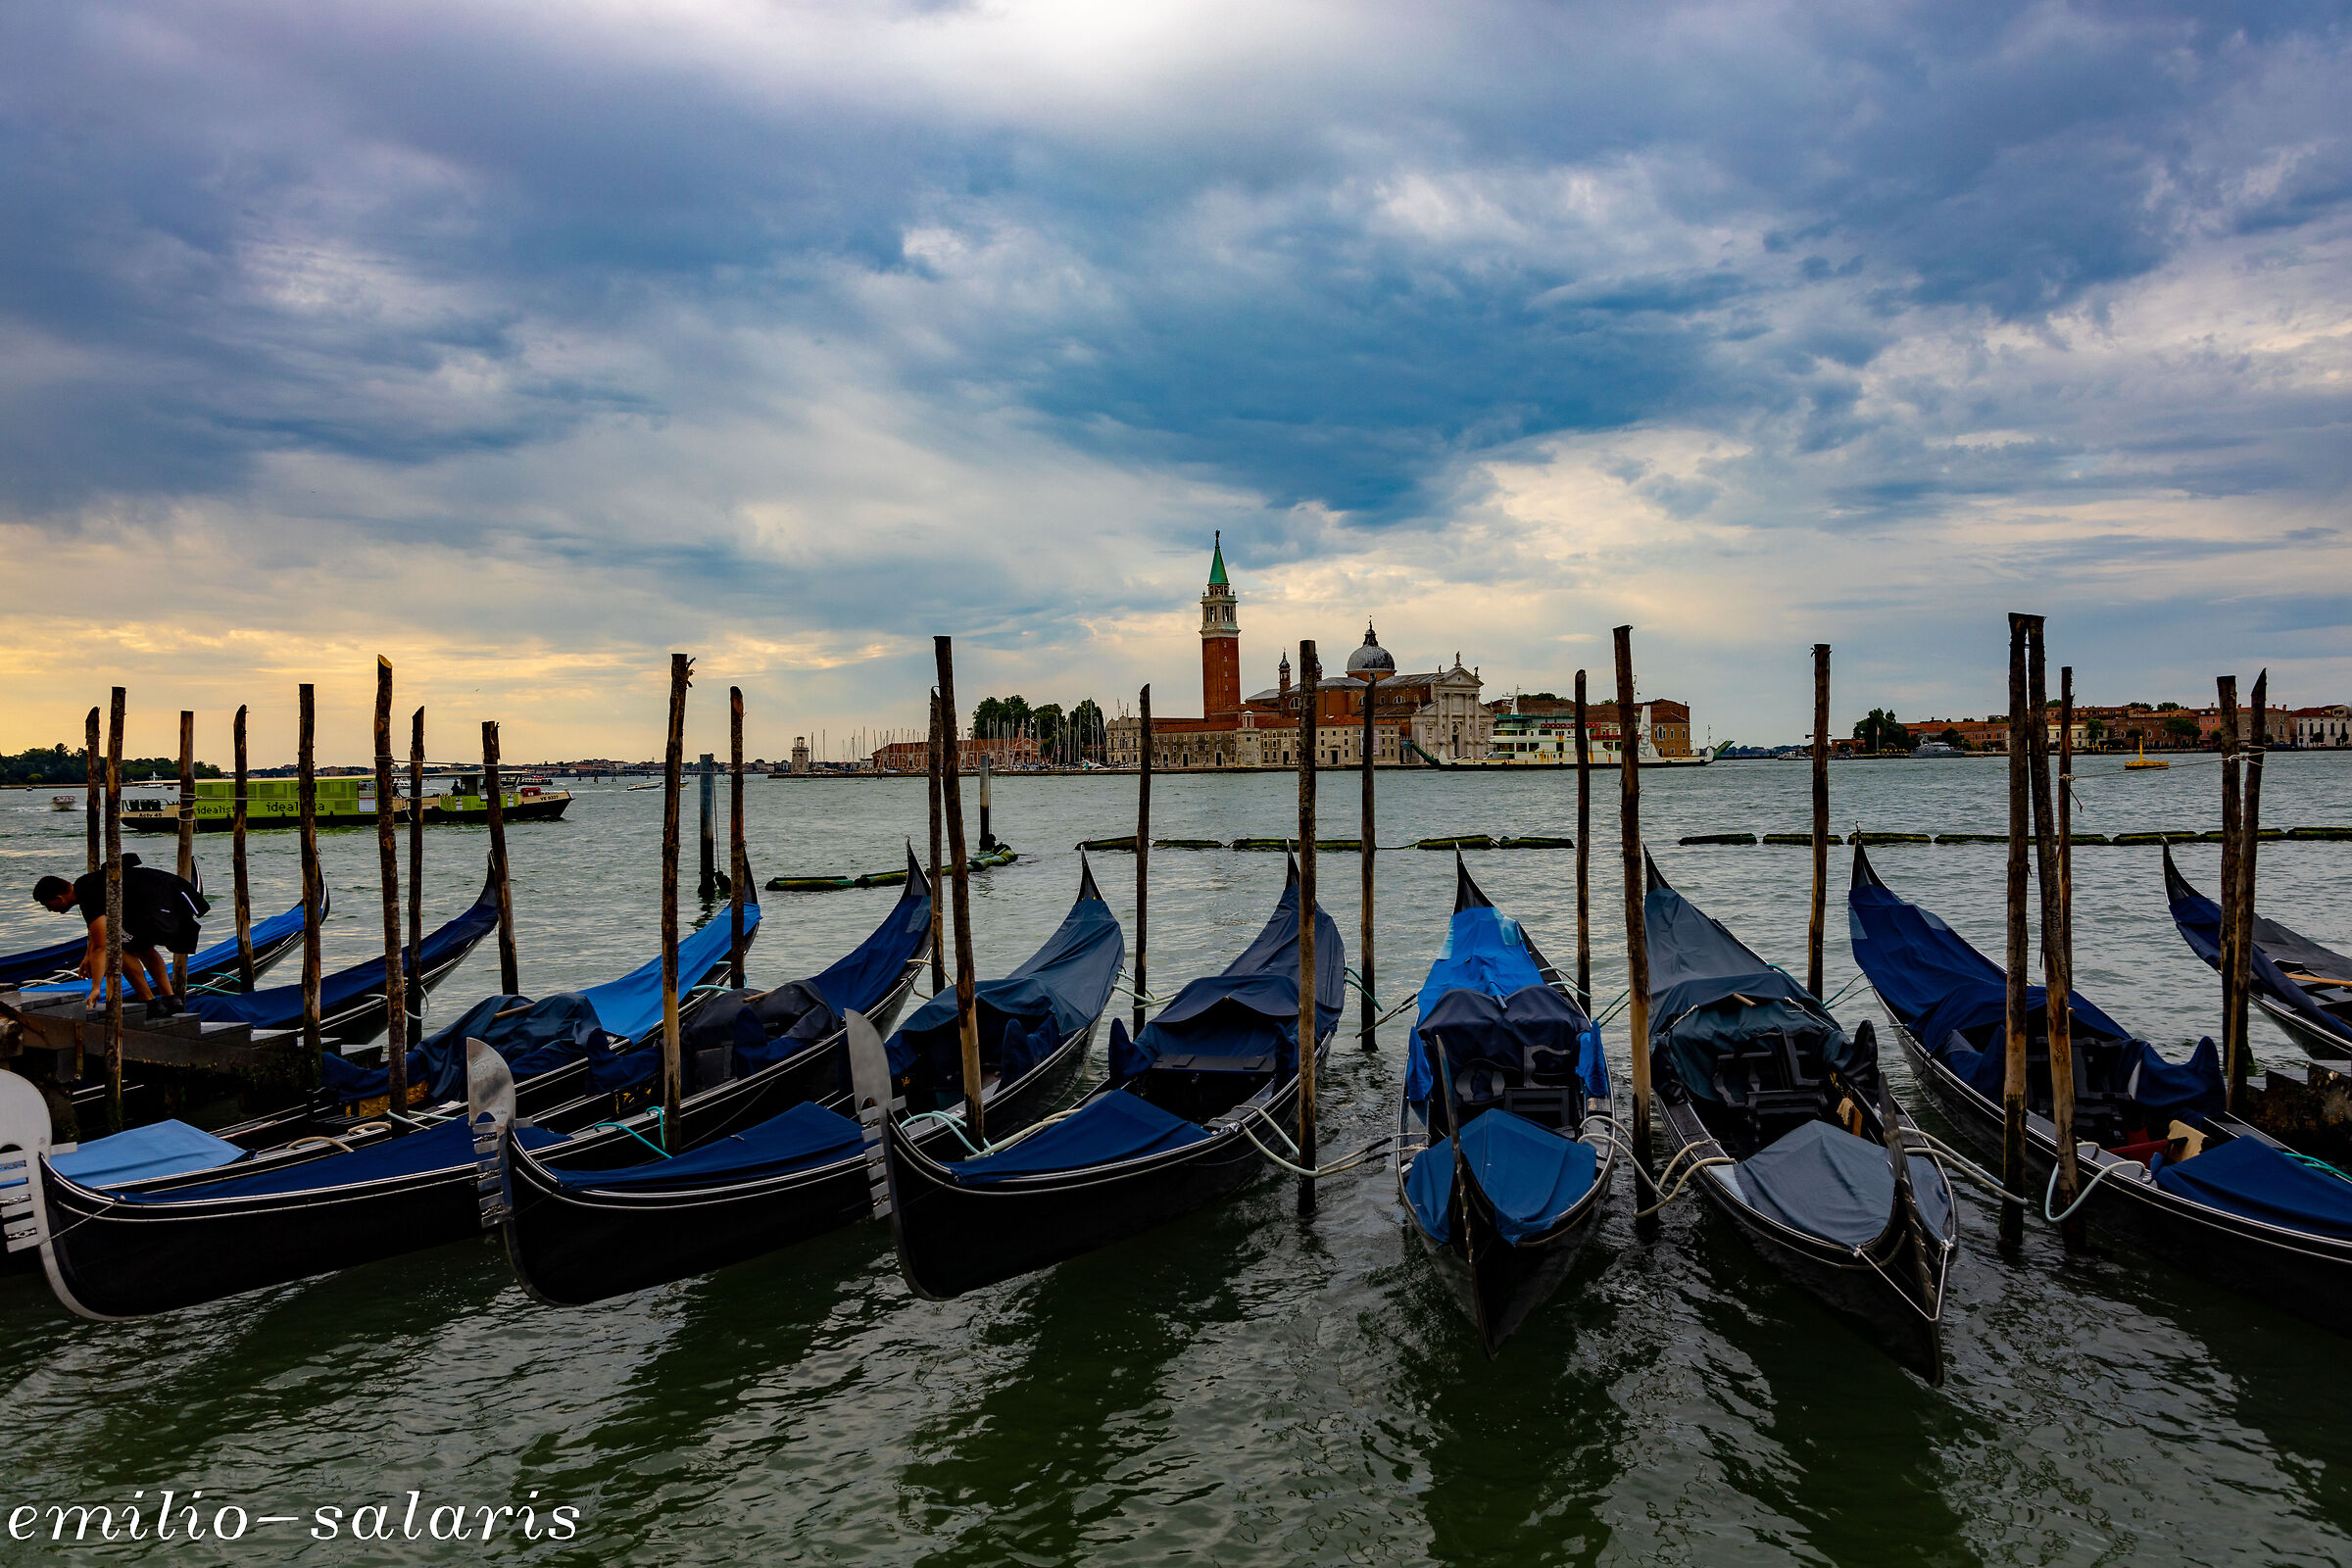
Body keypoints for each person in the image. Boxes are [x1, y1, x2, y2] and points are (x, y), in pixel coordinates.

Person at [32, 858, 208, 1016]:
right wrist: (88, 955)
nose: (50, 910)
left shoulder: (87, 896)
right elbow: (98, 931)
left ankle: (149, 1002)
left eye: (48, 906)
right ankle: (170, 999)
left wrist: (95, 988)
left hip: (163, 903)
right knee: (142, 947)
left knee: (117, 949)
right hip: (171, 895)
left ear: (59, 898)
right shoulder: (87, 884)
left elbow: (102, 946)